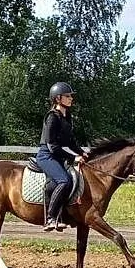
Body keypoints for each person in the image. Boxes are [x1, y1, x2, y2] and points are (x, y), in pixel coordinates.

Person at [36, 82, 88, 231]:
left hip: (57, 155)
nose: (71, 98)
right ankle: (51, 218)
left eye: (71, 96)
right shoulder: (52, 117)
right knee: (64, 181)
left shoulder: (67, 116)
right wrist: (73, 158)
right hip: (46, 155)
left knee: (71, 180)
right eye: (68, 96)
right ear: (58, 98)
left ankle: (63, 215)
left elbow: (70, 142)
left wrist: (82, 152)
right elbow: (52, 146)